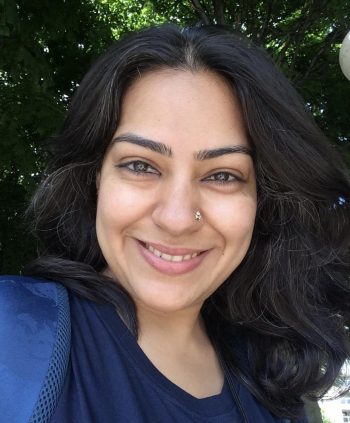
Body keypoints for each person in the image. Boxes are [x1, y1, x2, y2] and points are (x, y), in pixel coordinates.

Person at [1, 23, 350, 423]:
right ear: (95, 180)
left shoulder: (275, 385)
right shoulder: (12, 332)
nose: (178, 218)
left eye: (222, 175)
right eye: (140, 165)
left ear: (261, 201)